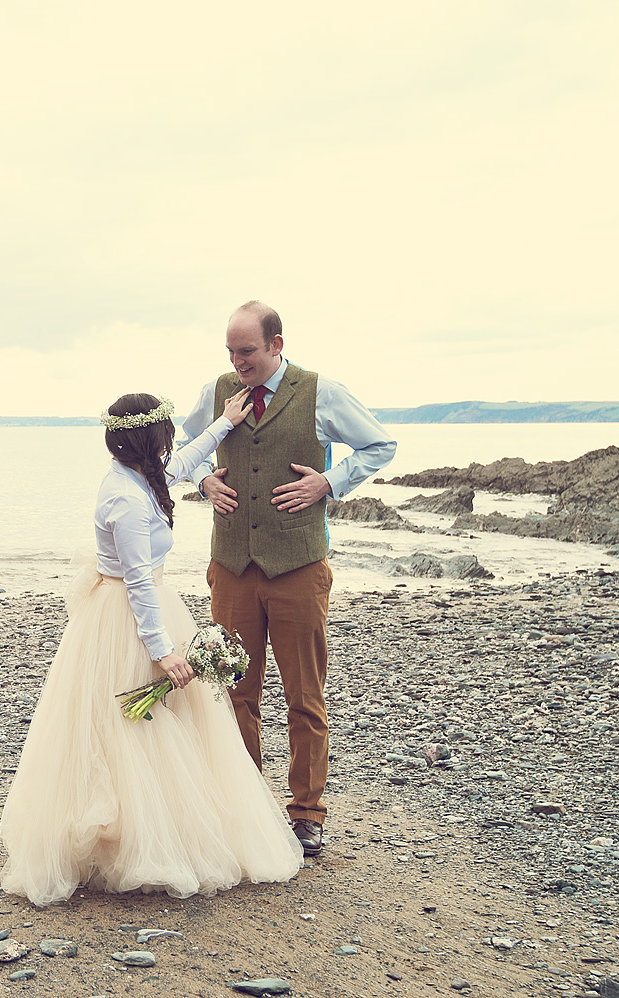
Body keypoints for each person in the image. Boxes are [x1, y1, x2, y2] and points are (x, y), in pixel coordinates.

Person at [0, 390, 303, 907]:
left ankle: (165, 829)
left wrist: (223, 424)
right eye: (166, 432)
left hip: (147, 608)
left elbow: (182, 464)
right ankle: (133, 841)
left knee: (161, 729)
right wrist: (164, 652)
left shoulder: (140, 476)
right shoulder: (125, 498)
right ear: (149, 438)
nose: (172, 442)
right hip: (128, 619)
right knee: (133, 729)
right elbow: (138, 581)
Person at [179, 301, 396, 857]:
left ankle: (306, 814)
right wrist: (204, 481)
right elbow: (181, 450)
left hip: (299, 566)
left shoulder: (322, 392)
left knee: (305, 695)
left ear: (277, 342)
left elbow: (380, 444)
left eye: (246, 351)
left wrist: (330, 482)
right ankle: (243, 805)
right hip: (231, 567)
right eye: (230, 351)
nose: (237, 361)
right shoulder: (217, 391)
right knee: (232, 693)